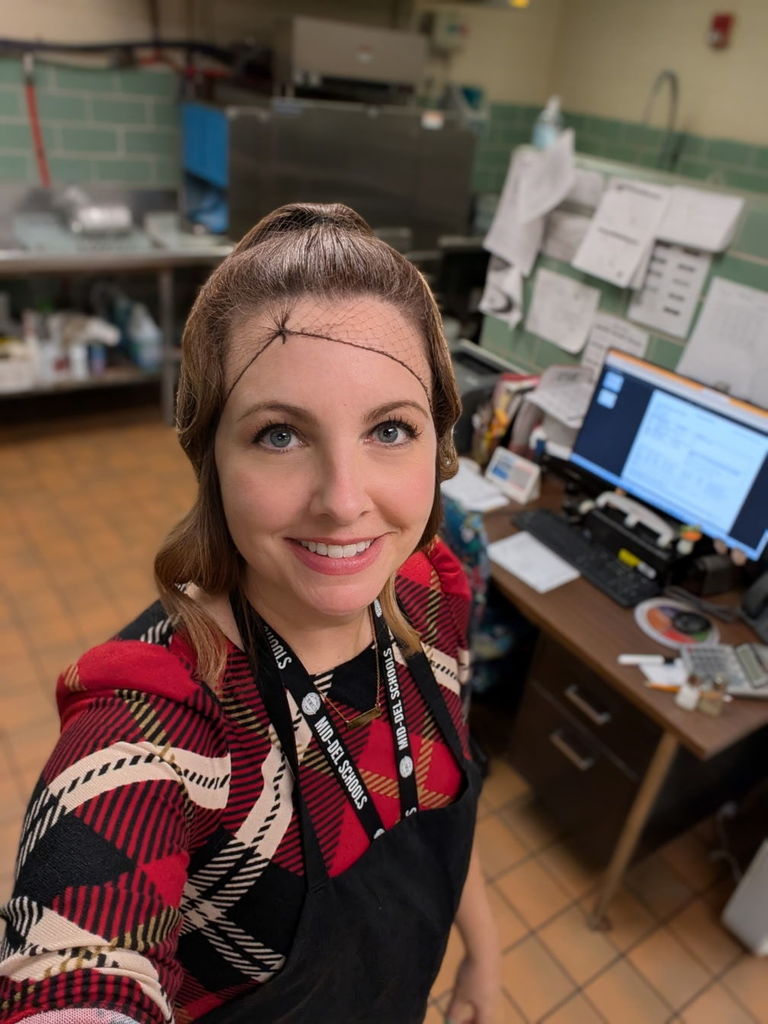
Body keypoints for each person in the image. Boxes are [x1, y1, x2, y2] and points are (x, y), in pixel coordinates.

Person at [0, 203, 500, 1024]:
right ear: (211, 461)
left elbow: (438, 796)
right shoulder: (156, 733)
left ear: (438, 444)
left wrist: (485, 947)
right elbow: (75, 974)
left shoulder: (431, 599)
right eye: (278, 435)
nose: (344, 503)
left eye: (390, 428)